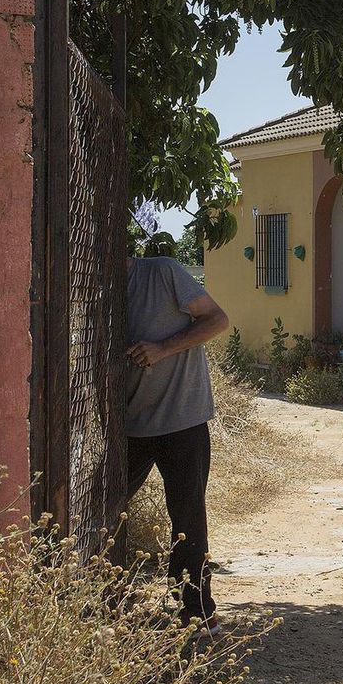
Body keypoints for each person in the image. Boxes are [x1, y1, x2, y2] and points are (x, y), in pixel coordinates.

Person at [124, 255, 229, 632]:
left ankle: (196, 609)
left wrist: (162, 348)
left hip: (183, 419)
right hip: (129, 425)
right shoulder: (95, 293)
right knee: (104, 508)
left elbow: (217, 319)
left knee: (187, 518)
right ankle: (107, 594)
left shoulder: (162, 272)